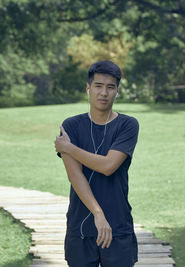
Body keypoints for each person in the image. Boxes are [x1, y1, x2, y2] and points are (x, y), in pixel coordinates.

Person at [54, 60, 139, 267]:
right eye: (98, 86)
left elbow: (108, 166)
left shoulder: (127, 125)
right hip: (80, 226)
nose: (104, 93)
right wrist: (97, 214)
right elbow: (75, 175)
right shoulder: (71, 126)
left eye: (110, 87)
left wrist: (69, 148)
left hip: (118, 225)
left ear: (117, 91)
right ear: (88, 88)